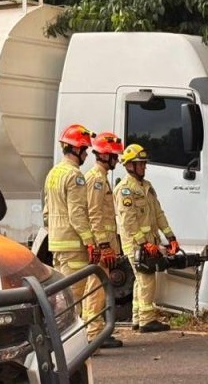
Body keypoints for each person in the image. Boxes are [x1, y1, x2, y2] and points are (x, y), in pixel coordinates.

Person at [114, 143, 178, 333]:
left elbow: (158, 214)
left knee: (139, 280)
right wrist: (145, 243)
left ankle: (137, 318)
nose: (144, 167)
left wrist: (170, 236)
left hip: (148, 242)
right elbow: (128, 222)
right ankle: (146, 320)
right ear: (129, 166)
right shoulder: (125, 190)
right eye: (140, 164)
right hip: (135, 244)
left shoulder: (147, 187)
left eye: (144, 163)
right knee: (146, 279)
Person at [45, 124, 97, 307]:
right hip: (73, 245)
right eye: (85, 149)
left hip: (56, 243)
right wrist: (90, 242)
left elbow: (46, 212)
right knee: (74, 298)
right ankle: (73, 335)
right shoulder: (75, 176)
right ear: (76, 148)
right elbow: (77, 214)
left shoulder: (53, 173)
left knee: (61, 296)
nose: (86, 154)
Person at [84, 132, 125, 349]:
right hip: (103, 246)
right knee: (96, 288)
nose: (117, 161)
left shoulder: (100, 179)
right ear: (105, 156)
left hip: (106, 244)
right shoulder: (96, 180)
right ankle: (93, 334)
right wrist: (104, 246)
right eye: (115, 157)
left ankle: (97, 331)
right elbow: (95, 214)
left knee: (101, 288)